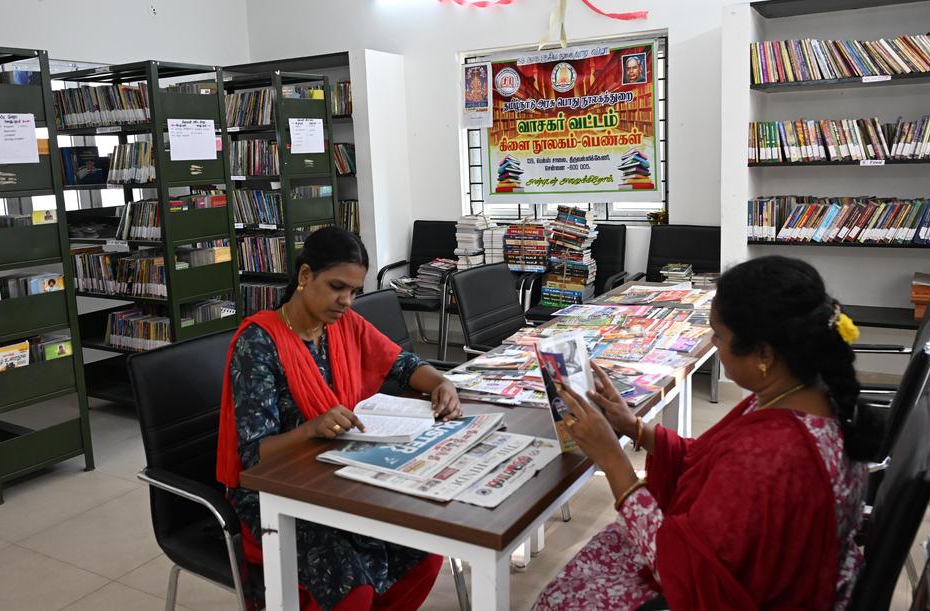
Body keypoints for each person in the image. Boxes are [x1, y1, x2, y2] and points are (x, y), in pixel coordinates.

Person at [534, 255, 875, 610]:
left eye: (720, 335)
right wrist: (633, 427)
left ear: (763, 354)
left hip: (742, 591)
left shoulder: (772, 454)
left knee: (557, 598)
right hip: (798, 572)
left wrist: (613, 460)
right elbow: (713, 462)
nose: (713, 344)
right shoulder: (809, 394)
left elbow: (686, 571)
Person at [216, 226, 462, 610]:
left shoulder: (342, 325)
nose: (346, 300)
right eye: (336, 287)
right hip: (279, 491)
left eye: (354, 291)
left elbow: (404, 364)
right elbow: (254, 454)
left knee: (424, 555)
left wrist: (442, 383)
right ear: (304, 276)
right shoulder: (259, 342)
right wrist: (312, 429)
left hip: (343, 473)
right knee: (352, 586)